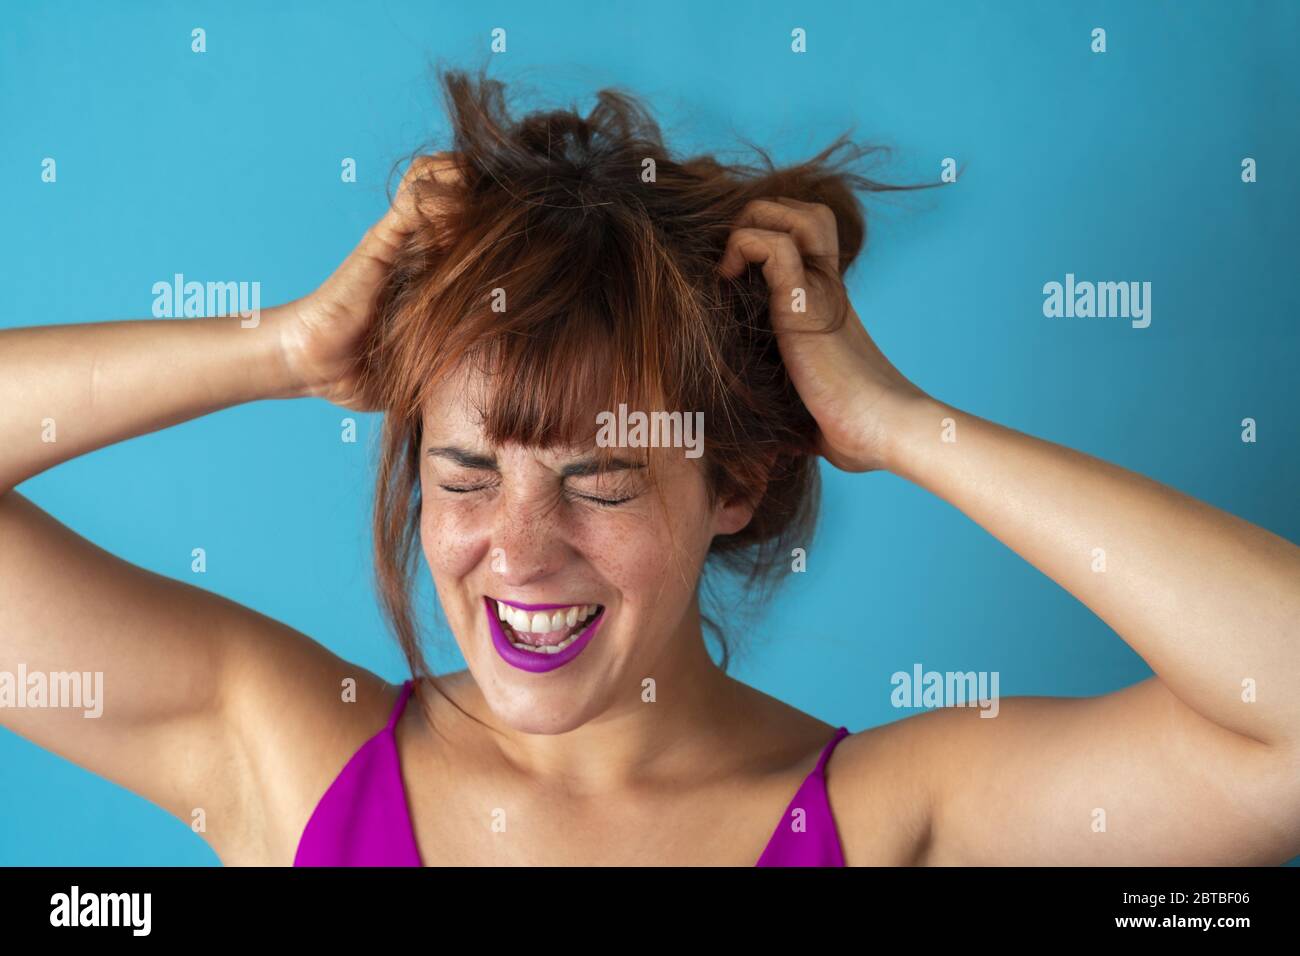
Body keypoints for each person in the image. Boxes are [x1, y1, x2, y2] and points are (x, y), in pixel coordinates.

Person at [2, 71, 1298, 866]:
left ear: (731, 486)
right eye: (465, 472)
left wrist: (901, 426)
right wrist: (281, 347)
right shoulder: (283, 764)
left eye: (603, 479)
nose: (516, 550)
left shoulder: (895, 817)